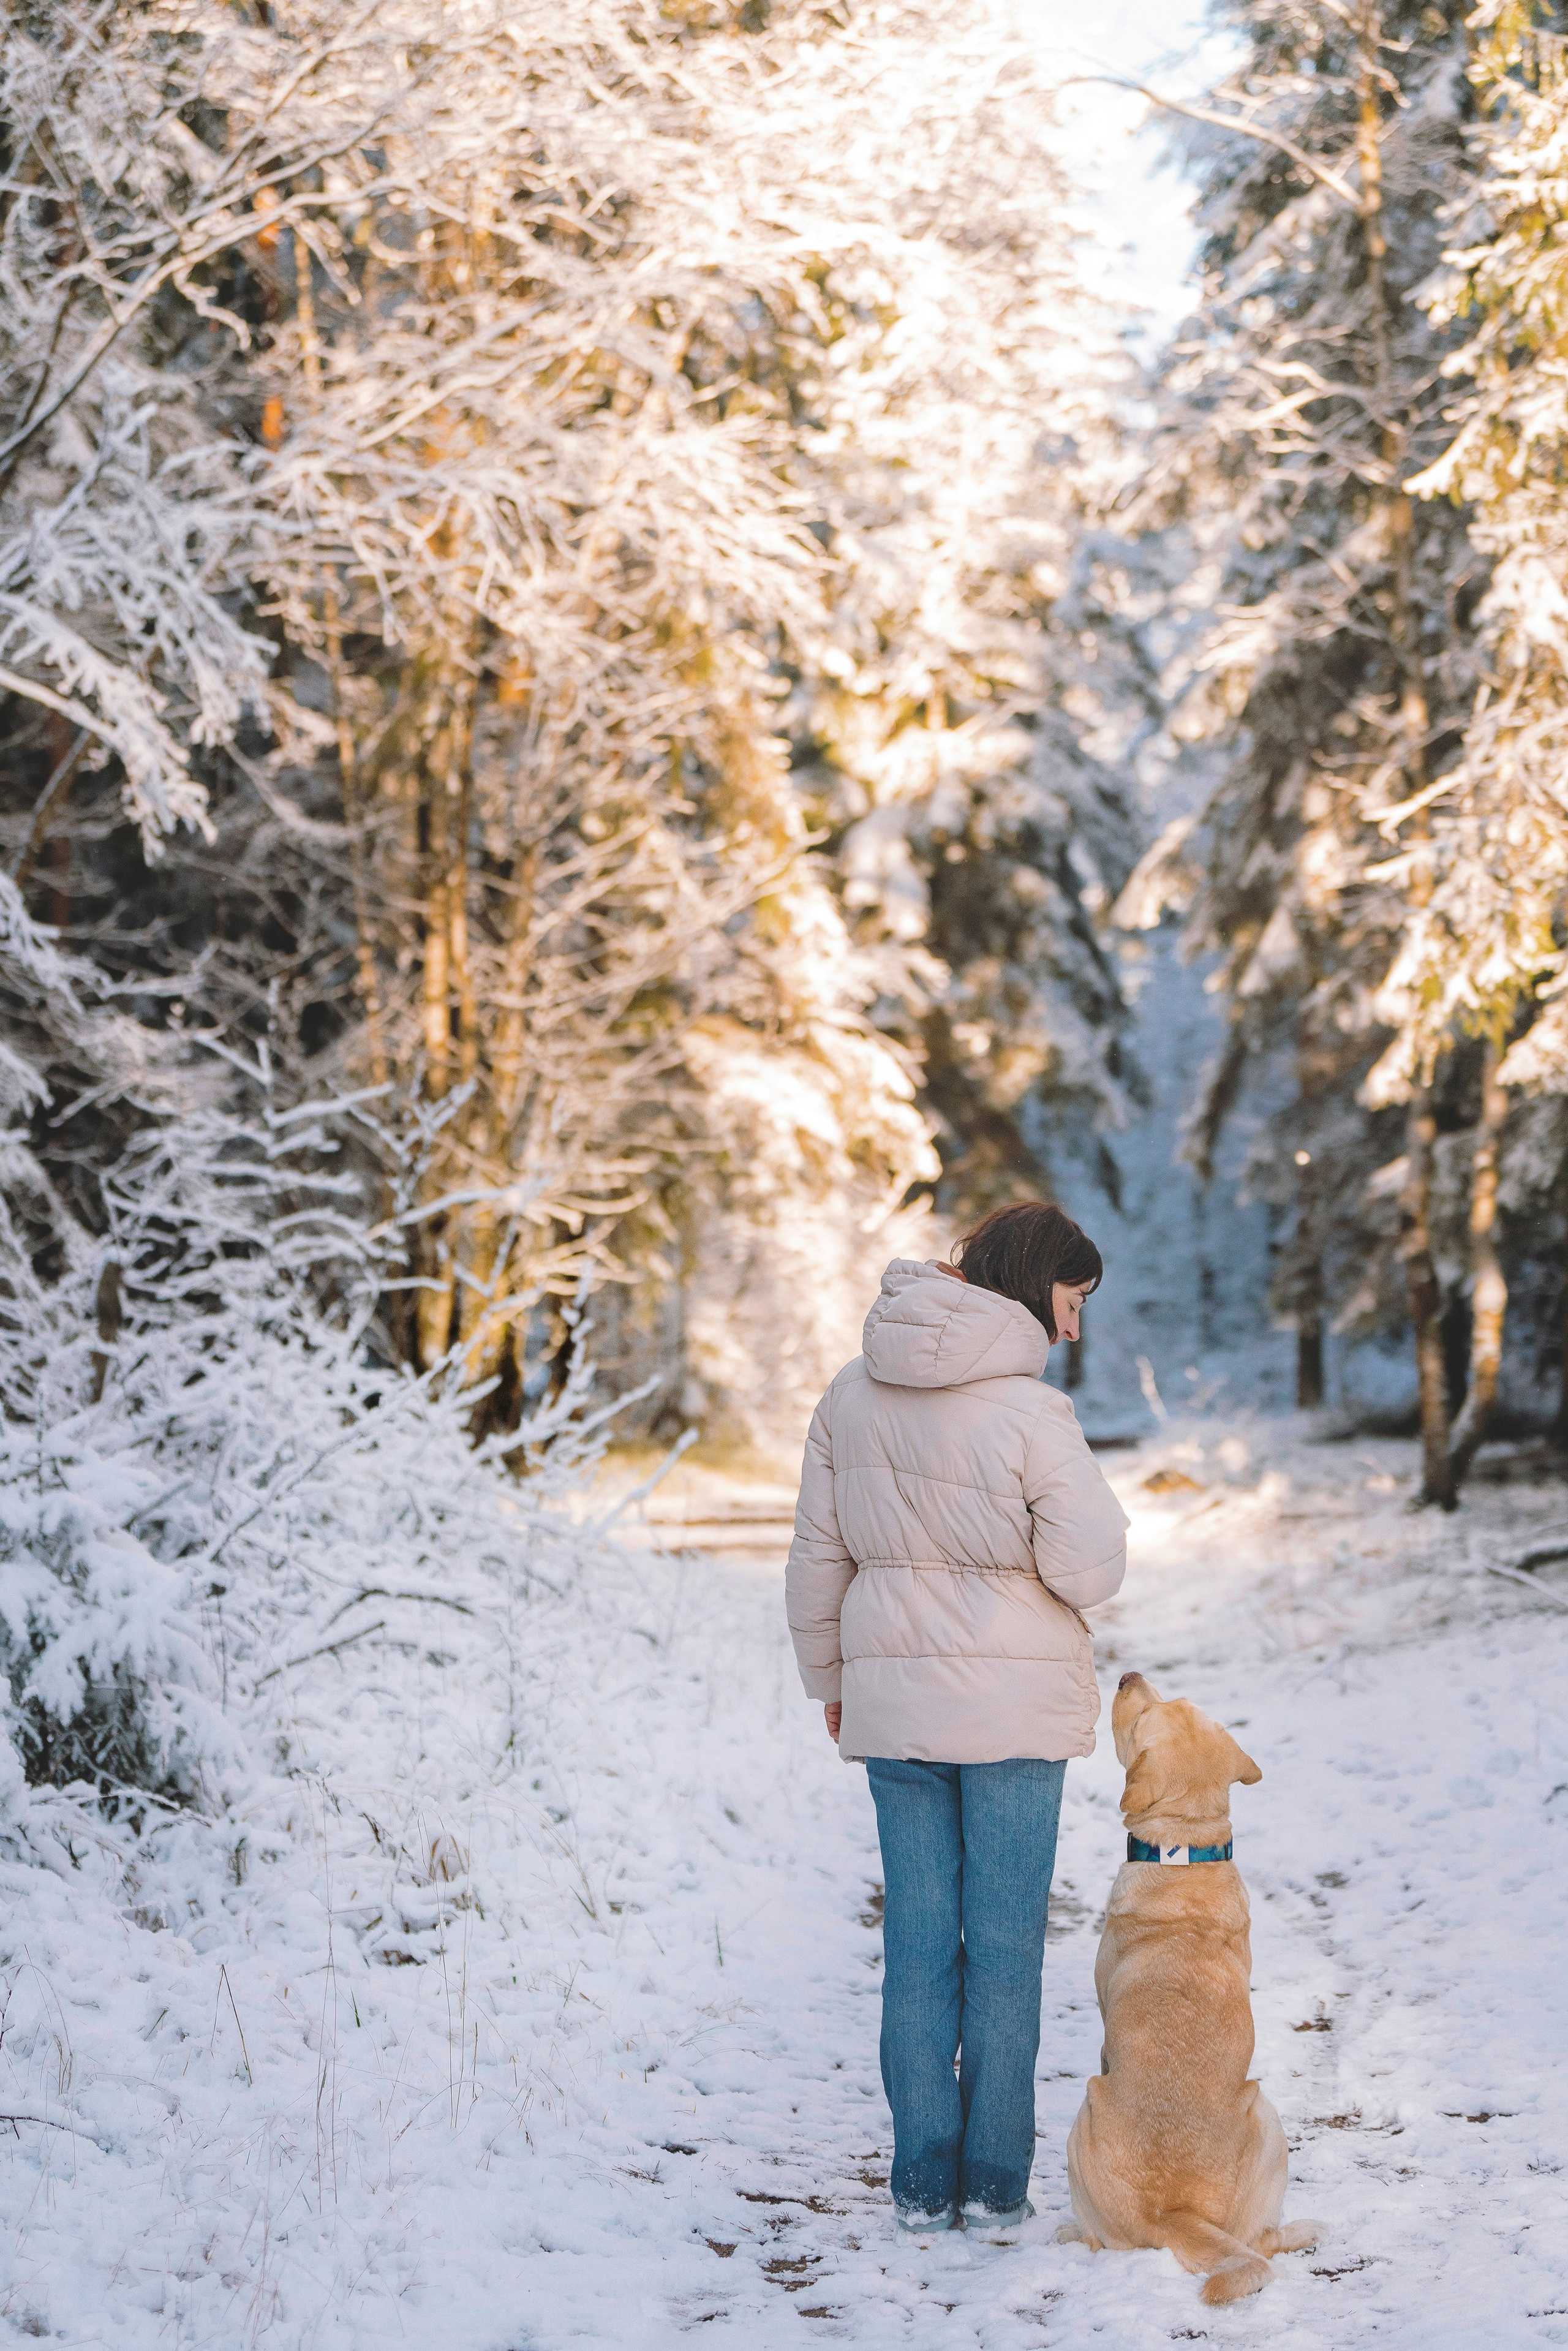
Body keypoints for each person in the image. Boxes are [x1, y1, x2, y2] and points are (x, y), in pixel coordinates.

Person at [785, 1202, 1129, 2237]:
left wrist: (831, 1680)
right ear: (1036, 1287)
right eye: (1072, 1303)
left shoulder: (849, 1394)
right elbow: (1090, 1568)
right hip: (1015, 1715)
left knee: (921, 1945)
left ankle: (921, 2184)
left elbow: (816, 1558)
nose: (1073, 1330)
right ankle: (994, 2183)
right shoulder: (1032, 1415)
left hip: (892, 1706)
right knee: (1008, 1948)